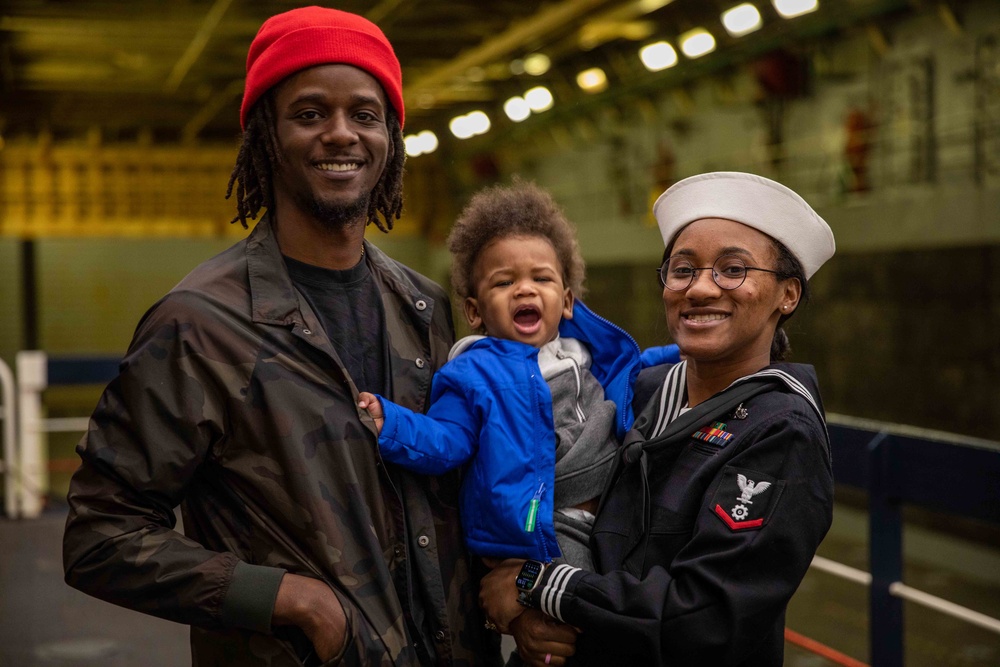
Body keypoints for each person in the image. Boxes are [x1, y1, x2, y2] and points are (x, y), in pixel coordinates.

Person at [62, 7, 496, 666]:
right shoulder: (200, 323)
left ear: (392, 136)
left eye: (365, 114)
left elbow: (459, 480)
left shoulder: (421, 305)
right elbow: (101, 534)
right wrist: (285, 598)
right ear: (267, 134)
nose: (341, 134)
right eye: (310, 113)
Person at [480, 171, 837, 667]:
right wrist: (527, 618)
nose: (701, 288)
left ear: (787, 295)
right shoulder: (638, 392)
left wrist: (536, 585)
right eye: (683, 269)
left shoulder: (780, 431)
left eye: (733, 269)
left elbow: (704, 617)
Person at [358, 181, 662, 572]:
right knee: (579, 604)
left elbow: (635, 368)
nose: (524, 289)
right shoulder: (472, 374)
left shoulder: (586, 352)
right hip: (547, 524)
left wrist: (687, 351)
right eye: (504, 282)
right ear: (474, 311)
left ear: (567, 301)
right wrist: (393, 425)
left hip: (613, 505)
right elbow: (447, 439)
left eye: (542, 278)